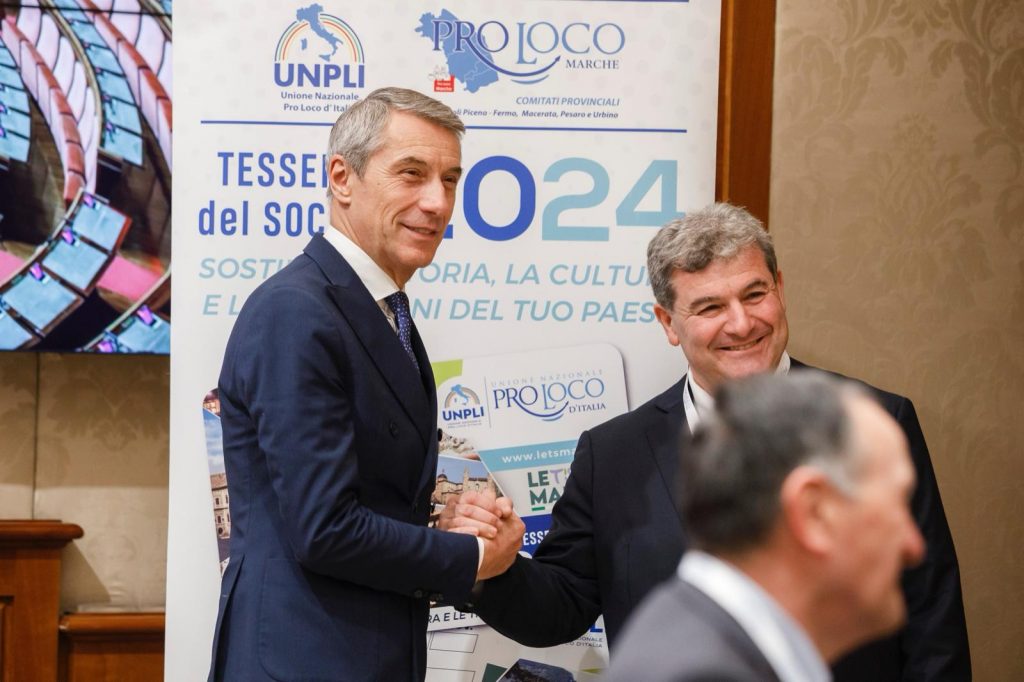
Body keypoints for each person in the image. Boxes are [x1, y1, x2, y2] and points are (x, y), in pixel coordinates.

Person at [448, 203, 969, 680]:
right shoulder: (613, 456)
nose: (741, 323)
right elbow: (560, 608)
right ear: (668, 323)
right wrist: (492, 567)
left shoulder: (877, 422)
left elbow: (932, 614)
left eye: (755, 294)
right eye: (710, 307)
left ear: (780, 288)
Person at [208, 87, 523, 682]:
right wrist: (474, 555)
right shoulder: (296, 311)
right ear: (342, 177)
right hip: (303, 663)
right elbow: (325, 529)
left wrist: (451, 524)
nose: (437, 202)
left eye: (450, 180)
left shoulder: (379, 309)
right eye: (412, 174)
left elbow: (375, 499)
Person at [605, 373, 926, 682]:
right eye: (896, 505)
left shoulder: (707, 640)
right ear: (813, 512)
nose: (915, 547)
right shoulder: (706, 674)